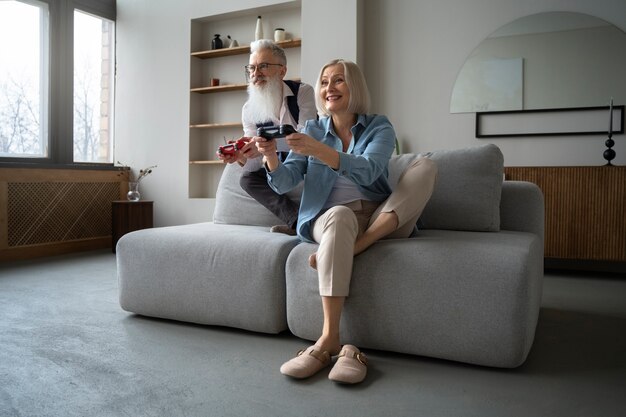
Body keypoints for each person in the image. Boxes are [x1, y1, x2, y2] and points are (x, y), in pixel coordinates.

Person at [255, 59, 438, 384]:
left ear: (354, 87)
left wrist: (320, 151)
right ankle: (329, 339)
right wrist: (270, 157)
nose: (329, 88)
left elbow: (369, 170)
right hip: (328, 219)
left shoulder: (379, 126)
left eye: (338, 80)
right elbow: (285, 183)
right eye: (324, 82)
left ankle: (352, 248)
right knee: (339, 216)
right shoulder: (311, 130)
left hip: (380, 219)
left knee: (426, 167)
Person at [217, 39, 317, 235]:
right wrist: (241, 156)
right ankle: (297, 221)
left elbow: (307, 136)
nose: (256, 74)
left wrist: (267, 145)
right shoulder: (248, 110)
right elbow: (255, 157)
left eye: (263, 66)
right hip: (275, 162)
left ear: (282, 71)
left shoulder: (303, 93)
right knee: (247, 178)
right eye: (252, 68)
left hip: (307, 157)